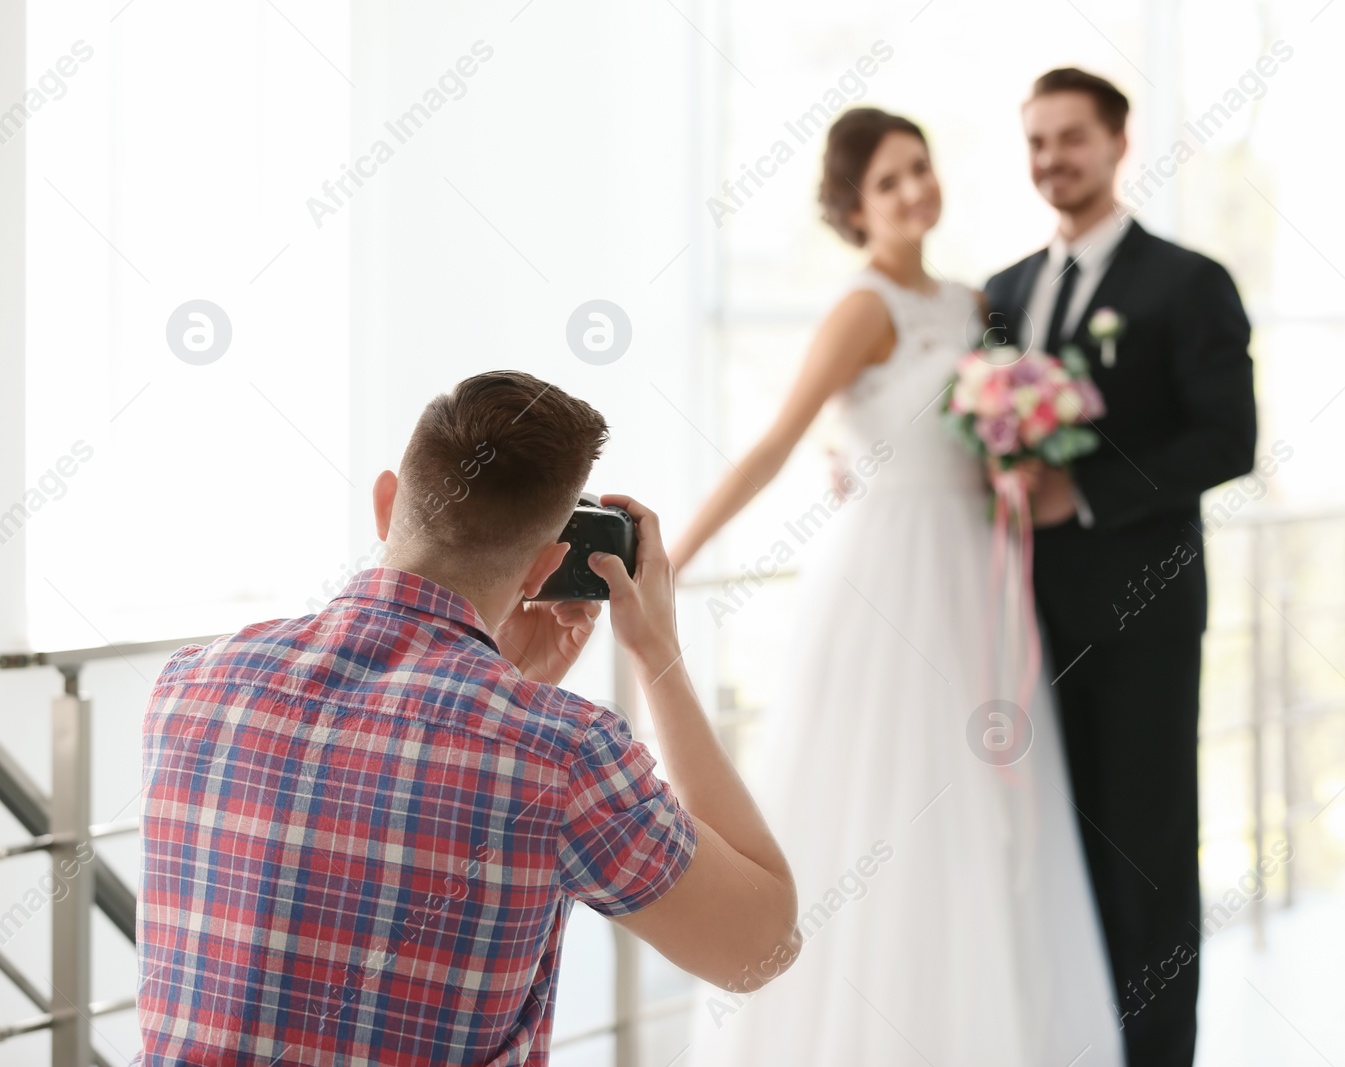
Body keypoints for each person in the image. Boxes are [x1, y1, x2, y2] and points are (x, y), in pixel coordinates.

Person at [134, 371, 800, 1066]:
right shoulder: (561, 754)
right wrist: (656, 655)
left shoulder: (191, 685)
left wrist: (508, 683)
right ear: (545, 566)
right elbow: (760, 947)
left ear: (387, 502)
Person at [674, 108, 1123, 1065]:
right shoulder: (862, 308)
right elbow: (775, 443)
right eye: (888, 182)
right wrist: (672, 557)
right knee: (887, 799)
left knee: (988, 806)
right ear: (853, 208)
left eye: (920, 167)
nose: (915, 190)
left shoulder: (974, 303)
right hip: (889, 576)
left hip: (978, 580)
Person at [983, 68, 1259, 1066]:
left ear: (1116, 143)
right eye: (1035, 142)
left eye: (1070, 138)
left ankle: (1152, 1054)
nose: (1051, 159)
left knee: (1145, 849)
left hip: (1142, 616)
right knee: (1045, 844)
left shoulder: (1186, 282)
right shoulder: (1006, 292)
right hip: (1022, 619)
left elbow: (1227, 439)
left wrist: (1085, 490)